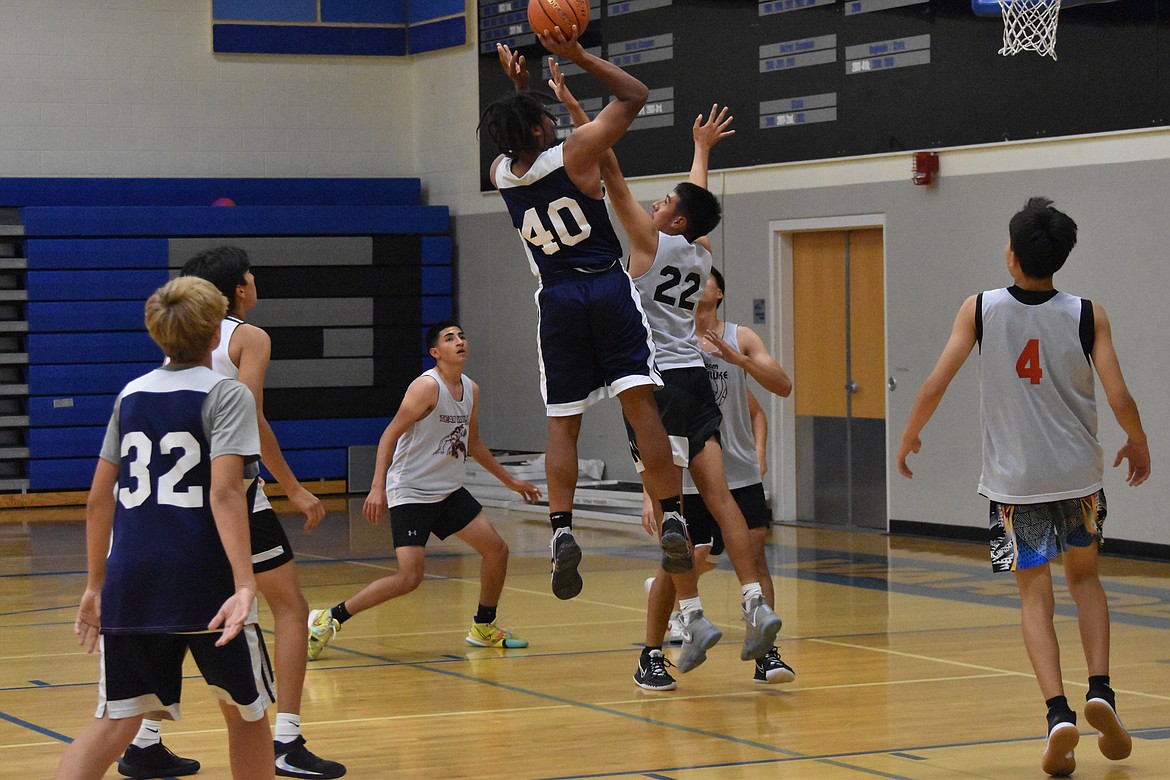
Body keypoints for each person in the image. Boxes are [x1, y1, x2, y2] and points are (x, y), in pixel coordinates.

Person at [896, 197, 1150, 777]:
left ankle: (1057, 711)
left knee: (1035, 594)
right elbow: (1119, 395)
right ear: (1061, 256)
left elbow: (935, 382)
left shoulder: (981, 309)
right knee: (1086, 581)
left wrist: (910, 436)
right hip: (1078, 477)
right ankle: (1103, 692)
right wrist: (1137, 441)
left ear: (1011, 255)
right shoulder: (1088, 313)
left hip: (1015, 484)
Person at [550, 84, 783, 690]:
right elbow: (694, 202)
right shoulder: (701, 255)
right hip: (697, 380)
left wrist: (582, 117)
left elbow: (612, 171)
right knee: (723, 501)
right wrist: (700, 150)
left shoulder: (650, 245)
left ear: (672, 220)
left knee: (674, 509)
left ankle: (694, 616)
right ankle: (755, 601)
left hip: (654, 387)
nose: (653, 204)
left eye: (665, 202)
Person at [121, 247, 344, 779]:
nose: (254, 281)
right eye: (250, 275)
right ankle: (285, 739)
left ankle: (145, 739)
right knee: (290, 607)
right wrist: (294, 487)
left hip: (172, 499)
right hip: (233, 489)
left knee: (186, 613)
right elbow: (250, 417)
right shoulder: (248, 335)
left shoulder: (180, 340)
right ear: (238, 290)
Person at [482, 32, 690, 602]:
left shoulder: (503, 174)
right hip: (605, 286)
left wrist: (519, 92)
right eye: (541, 117)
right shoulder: (575, 154)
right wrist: (576, 57)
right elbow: (634, 95)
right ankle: (671, 515)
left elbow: (514, 138)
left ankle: (562, 530)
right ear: (537, 129)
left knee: (562, 421)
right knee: (640, 401)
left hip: (556, 300)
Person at [55, 276, 274, 780]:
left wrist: (95, 585)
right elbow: (224, 492)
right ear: (217, 331)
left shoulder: (131, 395)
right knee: (247, 714)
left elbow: (96, 501)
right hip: (204, 576)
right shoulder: (227, 393)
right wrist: (244, 582)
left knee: (116, 723)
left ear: (157, 334)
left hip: (132, 577)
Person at [306, 321, 542, 659]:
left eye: (462, 335)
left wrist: (511, 481)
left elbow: (473, 443)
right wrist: (377, 488)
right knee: (409, 577)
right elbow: (389, 436)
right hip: (411, 490)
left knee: (496, 550)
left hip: (447, 491)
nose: (460, 341)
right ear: (435, 352)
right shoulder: (426, 388)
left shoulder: (471, 389)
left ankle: (483, 626)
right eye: (450, 338)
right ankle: (329, 619)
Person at [668, 266, 796, 685]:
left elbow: (782, 385)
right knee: (685, 557)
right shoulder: (673, 340)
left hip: (738, 471)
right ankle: (681, 626)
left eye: (704, 277)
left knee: (756, 556)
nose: (696, 282)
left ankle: (767, 654)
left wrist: (736, 359)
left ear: (719, 291)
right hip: (687, 472)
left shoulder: (741, 336)